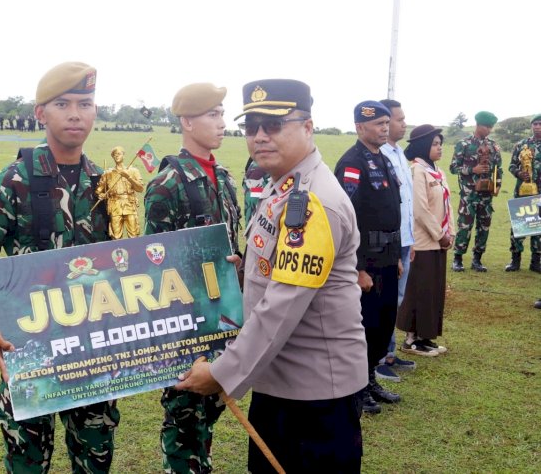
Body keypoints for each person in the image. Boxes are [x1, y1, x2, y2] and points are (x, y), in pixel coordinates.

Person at [175, 79, 367, 472]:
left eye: (274, 125)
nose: (260, 136)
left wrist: (220, 373)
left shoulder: (313, 202)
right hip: (280, 381)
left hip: (313, 395)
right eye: (252, 126)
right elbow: (275, 272)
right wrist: (241, 272)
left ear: (308, 126)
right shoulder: (285, 187)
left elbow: (283, 303)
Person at [0, 62, 120, 473]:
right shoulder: (14, 181)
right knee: (27, 463)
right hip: (30, 353)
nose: (76, 113)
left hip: (92, 354)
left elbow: (126, 261)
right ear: (40, 113)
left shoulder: (108, 184)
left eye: (85, 103)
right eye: (62, 104)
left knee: (95, 462)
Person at [144, 82, 241, 473]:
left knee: (213, 405)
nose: (222, 123)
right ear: (187, 121)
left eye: (221, 114)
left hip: (223, 316)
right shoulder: (167, 184)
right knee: (184, 416)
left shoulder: (227, 179)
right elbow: (154, 262)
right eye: (212, 115)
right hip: (185, 324)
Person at [334, 101, 402, 414]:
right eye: (378, 125)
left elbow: (392, 210)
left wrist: (396, 256)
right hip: (367, 263)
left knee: (385, 323)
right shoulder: (352, 162)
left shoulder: (384, 159)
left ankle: (370, 378)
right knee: (365, 326)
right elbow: (348, 219)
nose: (384, 129)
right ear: (361, 127)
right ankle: (356, 389)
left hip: (388, 257)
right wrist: (358, 269)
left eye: (387, 124)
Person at [397, 125, 455, 356]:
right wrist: (439, 235)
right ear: (422, 145)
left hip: (439, 242)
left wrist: (449, 233)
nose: (439, 148)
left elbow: (446, 205)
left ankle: (425, 337)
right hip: (423, 242)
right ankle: (411, 339)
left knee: (433, 291)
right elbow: (419, 210)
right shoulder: (416, 171)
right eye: (434, 144)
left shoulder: (438, 172)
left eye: (440, 143)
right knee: (419, 290)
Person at [376, 99, 417, 382]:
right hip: (388, 242)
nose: (404, 124)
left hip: (403, 238)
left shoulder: (399, 153)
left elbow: (407, 202)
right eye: (399, 119)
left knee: (397, 298)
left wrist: (411, 240)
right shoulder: (379, 156)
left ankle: (389, 352)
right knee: (384, 299)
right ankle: (377, 359)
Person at [449, 111, 503, 272]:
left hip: (486, 196)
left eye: (491, 127)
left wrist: (498, 184)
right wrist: (473, 169)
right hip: (469, 194)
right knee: (465, 226)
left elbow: (498, 168)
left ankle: (477, 259)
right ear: (479, 125)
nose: (490, 130)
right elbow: (453, 167)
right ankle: (457, 259)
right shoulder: (464, 144)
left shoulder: (493, 146)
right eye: (487, 127)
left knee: (484, 227)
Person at [504, 114, 541, 273]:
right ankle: (515, 260)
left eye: (540, 124)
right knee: (518, 225)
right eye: (535, 124)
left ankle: (536, 261)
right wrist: (519, 173)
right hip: (523, 192)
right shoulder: (521, 145)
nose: (537, 127)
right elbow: (511, 166)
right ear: (531, 126)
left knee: (538, 227)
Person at [95, 146, 144, 239]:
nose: (116, 156)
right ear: (112, 157)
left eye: (119, 154)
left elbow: (140, 188)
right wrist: (101, 195)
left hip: (129, 204)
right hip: (114, 206)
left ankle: (135, 252)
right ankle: (117, 252)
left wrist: (128, 177)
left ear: (123, 155)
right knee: (116, 235)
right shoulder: (108, 173)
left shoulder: (133, 171)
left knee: (134, 234)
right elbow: (98, 190)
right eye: (114, 154)